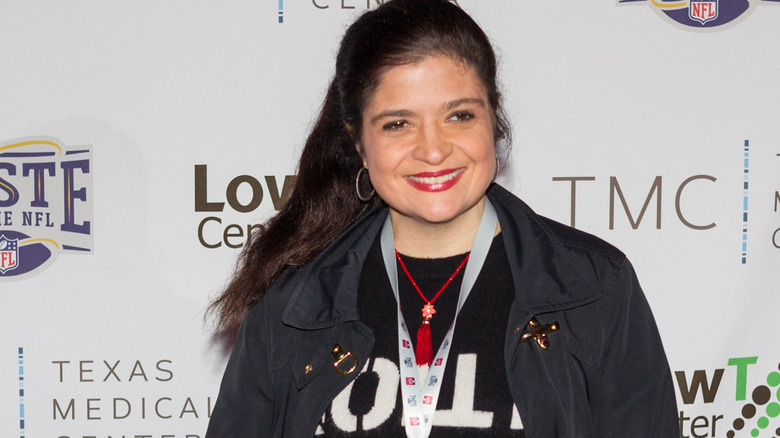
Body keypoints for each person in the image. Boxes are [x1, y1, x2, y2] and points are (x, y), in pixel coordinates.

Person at [205, 0, 679, 436]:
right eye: (398, 123)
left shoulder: (593, 289)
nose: (433, 150)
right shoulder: (293, 308)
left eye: (459, 116)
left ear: (493, 117)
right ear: (357, 141)